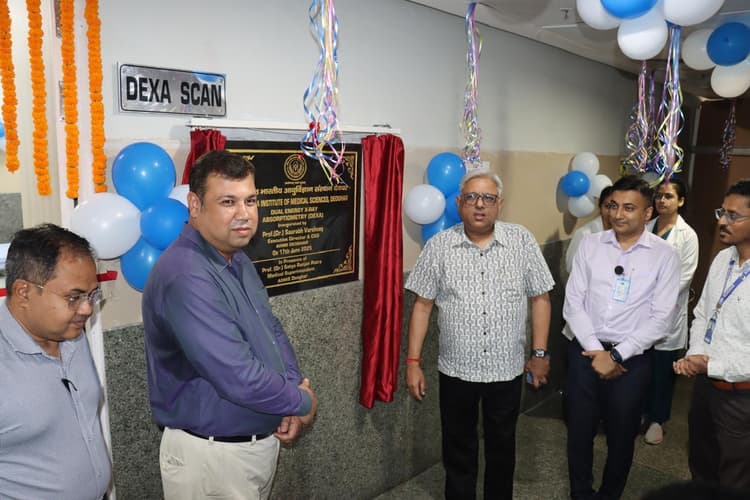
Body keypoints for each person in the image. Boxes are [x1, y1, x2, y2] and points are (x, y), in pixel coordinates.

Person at [143, 150, 318, 500]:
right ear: (195, 205)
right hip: (212, 459)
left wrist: (290, 389)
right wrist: (300, 401)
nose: (244, 214)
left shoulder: (236, 258)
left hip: (248, 448)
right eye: (228, 202)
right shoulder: (187, 274)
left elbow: (271, 330)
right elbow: (237, 375)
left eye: (250, 200)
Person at [405, 169, 554, 500]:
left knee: (502, 446)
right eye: (471, 197)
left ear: (500, 203)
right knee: (458, 447)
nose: (480, 205)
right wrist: (413, 362)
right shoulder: (439, 246)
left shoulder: (521, 240)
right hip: (456, 370)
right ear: (459, 202)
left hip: (506, 369)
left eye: (488, 198)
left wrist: (540, 354)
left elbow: (541, 298)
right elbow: (422, 307)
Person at [563, 175, 680, 500]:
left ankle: (609, 495)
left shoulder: (664, 255)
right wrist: (596, 351)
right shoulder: (590, 245)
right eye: (613, 206)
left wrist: (615, 356)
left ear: (647, 213)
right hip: (585, 352)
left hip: (632, 360)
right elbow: (573, 304)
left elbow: (661, 319)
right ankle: (580, 494)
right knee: (579, 432)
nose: (618, 214)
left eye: (629, 208)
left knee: (621, 434)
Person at [0, 224, 111, 499]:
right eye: (73, 297)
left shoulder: (71, 333)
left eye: (92, 295)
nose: (87, 309)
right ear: (24, 292)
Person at [674, 179, 750, 492]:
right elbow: (703, 313)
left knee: (735, 479)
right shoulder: (722, 259)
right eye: (722, 212)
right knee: (702, 466)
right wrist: (695, 355)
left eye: (733, 216)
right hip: (706, 388)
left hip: (741, 397)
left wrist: (711, 364)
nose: (722, 221)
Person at [642, 178, 698, 445]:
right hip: (639, 310)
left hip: (667, 310)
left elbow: (684, 277)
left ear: (681, 201)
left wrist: (654, 296)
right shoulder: (646, 227)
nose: (662, 201)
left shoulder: (688, 235)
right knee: (640, 367)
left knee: (662, 371)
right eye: (659, 196)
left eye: (669, 196)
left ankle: (657, 419)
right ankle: (638, 413)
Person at [565, 185, 615, 274]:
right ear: (600, 206)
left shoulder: (623, 233)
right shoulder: (584, 234)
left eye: (615, 207)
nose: (611, 212)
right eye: (607, 206)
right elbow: (572, 268)